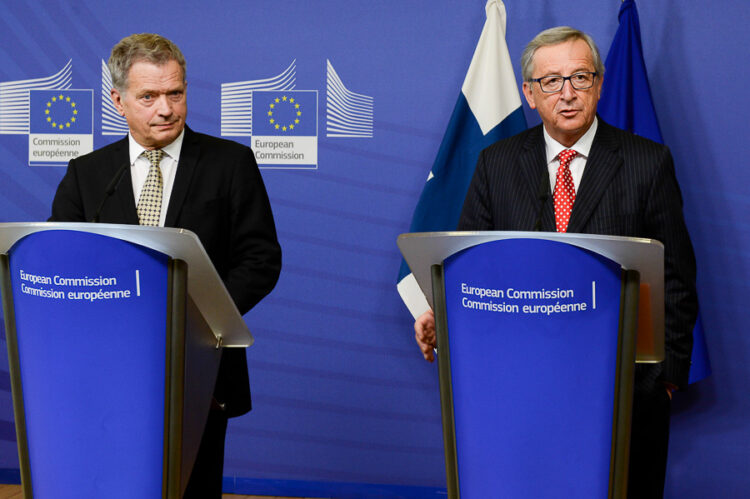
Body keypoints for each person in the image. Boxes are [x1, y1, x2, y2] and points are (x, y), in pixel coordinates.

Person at [413, 26, 697, 498]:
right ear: (529, 93)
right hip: (517, 389)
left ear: (599, 85)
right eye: (551, 82)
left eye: (580, 78)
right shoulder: (496, 163)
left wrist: (660, 381)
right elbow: (470, 269)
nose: (567, 94)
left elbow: (677, 280)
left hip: (618, 393)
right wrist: (440, 316)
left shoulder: (648, 163)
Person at [49, 33, 282, 498]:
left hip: (200, 369)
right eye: (149, 96)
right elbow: (61, 265)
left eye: (176, 93)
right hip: (106, 371)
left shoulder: (230, 163)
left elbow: (260, 259)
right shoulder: (88, 173)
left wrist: (197, 322)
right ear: (118, 100)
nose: (166, 109)